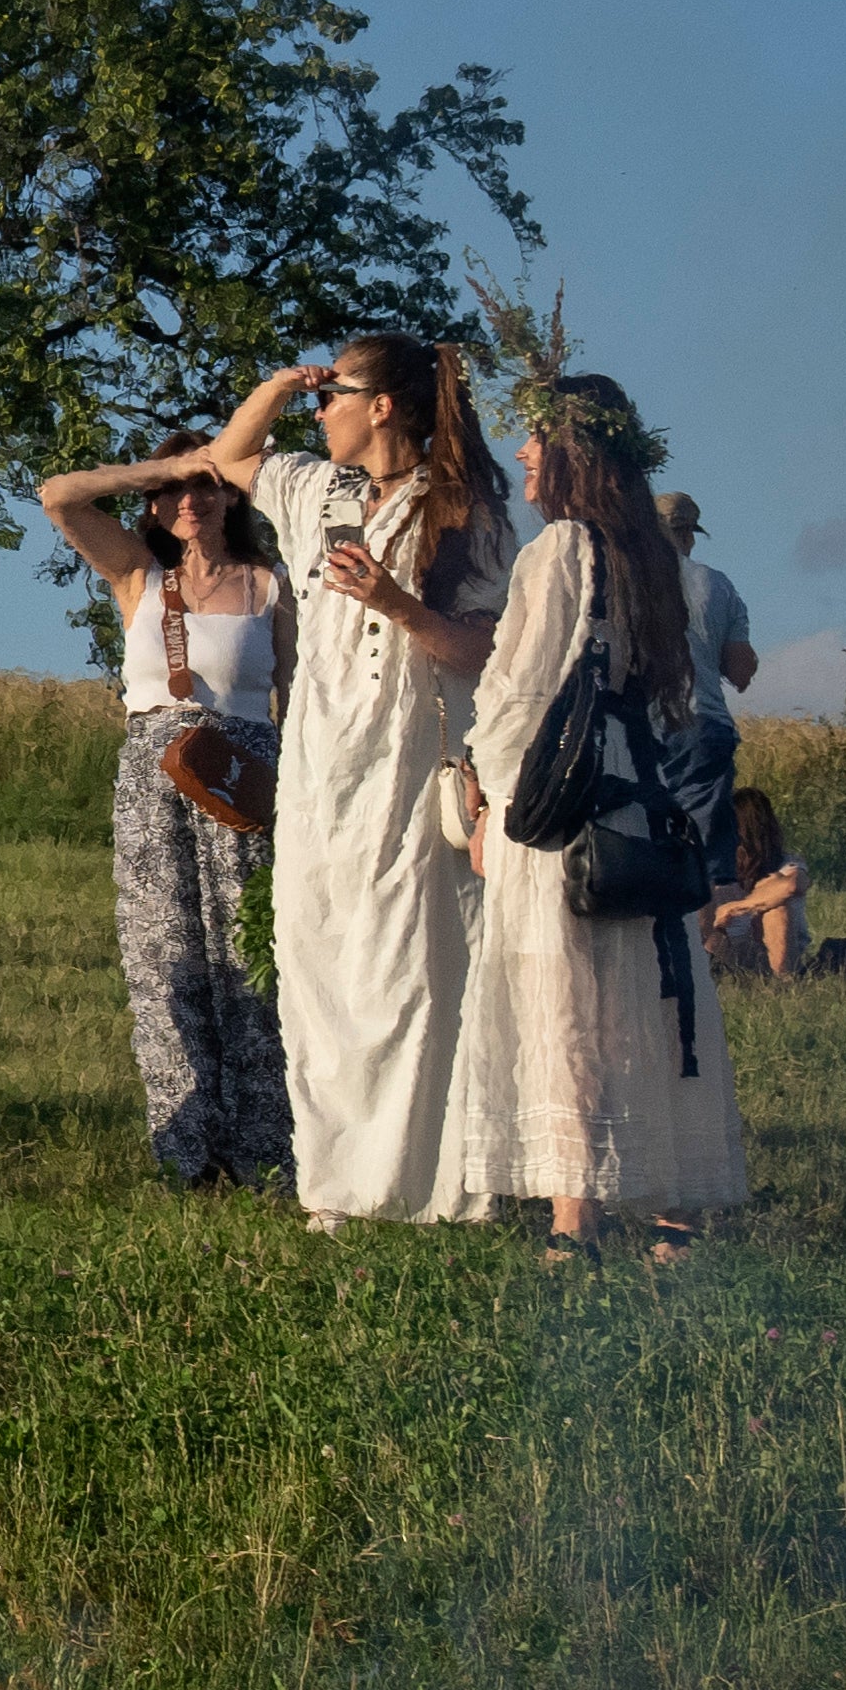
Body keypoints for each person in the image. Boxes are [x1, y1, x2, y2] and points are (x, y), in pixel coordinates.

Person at [194, 333, 517, 1229]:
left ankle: (431, 1189)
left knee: (411, 966)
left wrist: (393, 602)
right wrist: (278, 381)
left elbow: (482, 652)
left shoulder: (464, 513)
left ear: (382, 406)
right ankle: (335, 1187)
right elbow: (228, 456)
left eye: (335, 393)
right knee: (319, 961)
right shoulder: (318, 490)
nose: (320, 410)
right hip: (319, 767)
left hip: (410, 769)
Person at [444, 372, 745, 1259]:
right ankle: (670, 1214)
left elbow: (520, 690)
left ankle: (575, 1220)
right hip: (635, 791)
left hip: (561, 791)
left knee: (560, 999)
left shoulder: (560, 549)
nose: (525, 454)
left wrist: (488, 794)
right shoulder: (652, 554)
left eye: (537, 438)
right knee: (636, 997)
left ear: (573, 450)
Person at [32, 437, 295, 1189]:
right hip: (153, 777)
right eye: (174, 491)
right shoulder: (140, 578)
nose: (191, 501)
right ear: (152, 501)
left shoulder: (271, 586)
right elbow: (59, 494)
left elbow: (299, 699)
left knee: (250, 960)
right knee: (164, 958)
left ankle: (262, 1150)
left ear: (232, 496)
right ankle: (189, 1157)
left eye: (206, 486)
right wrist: (171, 466)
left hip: (244, 775)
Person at [659, 494, 759, 894]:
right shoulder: (717, 585)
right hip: (702, 723)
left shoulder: (624, 580)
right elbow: (740, 671)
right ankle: (708, 951)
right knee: (705, 855)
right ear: (687, 535)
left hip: (640, 724)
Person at [704, 785, 810, 979]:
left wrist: (736, 907)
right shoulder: (716, 868)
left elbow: (793, 884)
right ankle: (707, 977)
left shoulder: (785, 864)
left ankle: (784, 984)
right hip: (728, 952)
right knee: (702, 902)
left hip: (767, 952)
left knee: (777, 910)